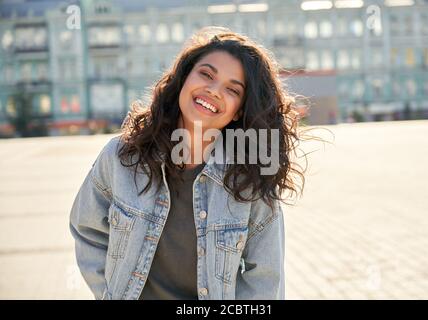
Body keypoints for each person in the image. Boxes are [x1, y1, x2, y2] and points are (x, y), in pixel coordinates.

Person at [69, 26, 305, 300]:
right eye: (206, 74)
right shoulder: (122, 157)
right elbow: (86, 230)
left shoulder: (250, 181)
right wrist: (110, 294)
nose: (213, 90)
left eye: (232, 89)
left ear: (239, 109)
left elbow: (266, 280)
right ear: (184, 78)